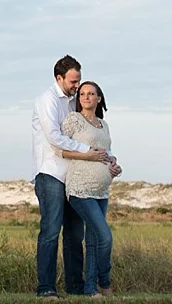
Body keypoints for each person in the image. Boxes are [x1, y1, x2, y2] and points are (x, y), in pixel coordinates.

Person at [30, 55, 120, 298]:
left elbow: (93, 135)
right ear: (59, 78)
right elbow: (55, 138)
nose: (77, 86)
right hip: (50, 173)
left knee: (75, 235)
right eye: (73, 82)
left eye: (78, 81)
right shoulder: (47, 100)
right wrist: (88, 152)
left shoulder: (73, 102)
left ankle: (76, 287)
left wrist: (109, 160)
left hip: (72, 177)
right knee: (51, 231)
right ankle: (46, 288)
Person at [62, 81, 115, 297]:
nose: (86, 97)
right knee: (105, 237)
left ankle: (90, 289)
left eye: (91, 94)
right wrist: (87, 156)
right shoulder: (73, 120)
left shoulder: (104, 124)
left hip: (102, 191)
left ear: (99, 98)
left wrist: (113, 164)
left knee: (93, 242)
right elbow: (61, 149)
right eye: (82, 93)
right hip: (80, 188)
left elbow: (107, 152)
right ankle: (105, 283)